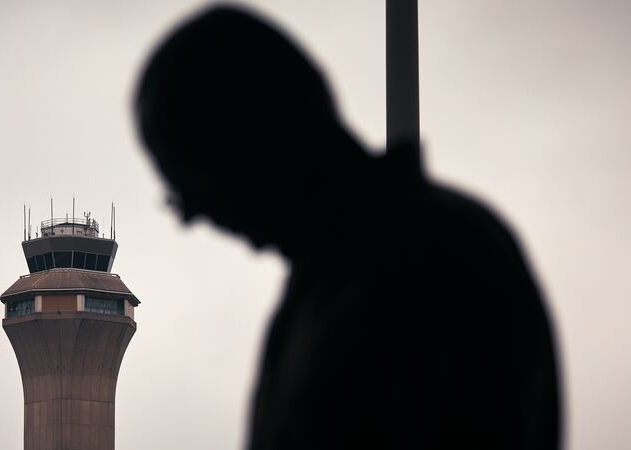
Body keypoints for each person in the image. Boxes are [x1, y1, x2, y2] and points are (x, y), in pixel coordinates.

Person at [134, 5, 560, 450]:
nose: (192, 217)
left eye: (189, 183)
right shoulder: (331, 284)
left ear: (250, 139)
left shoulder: (430, 266)